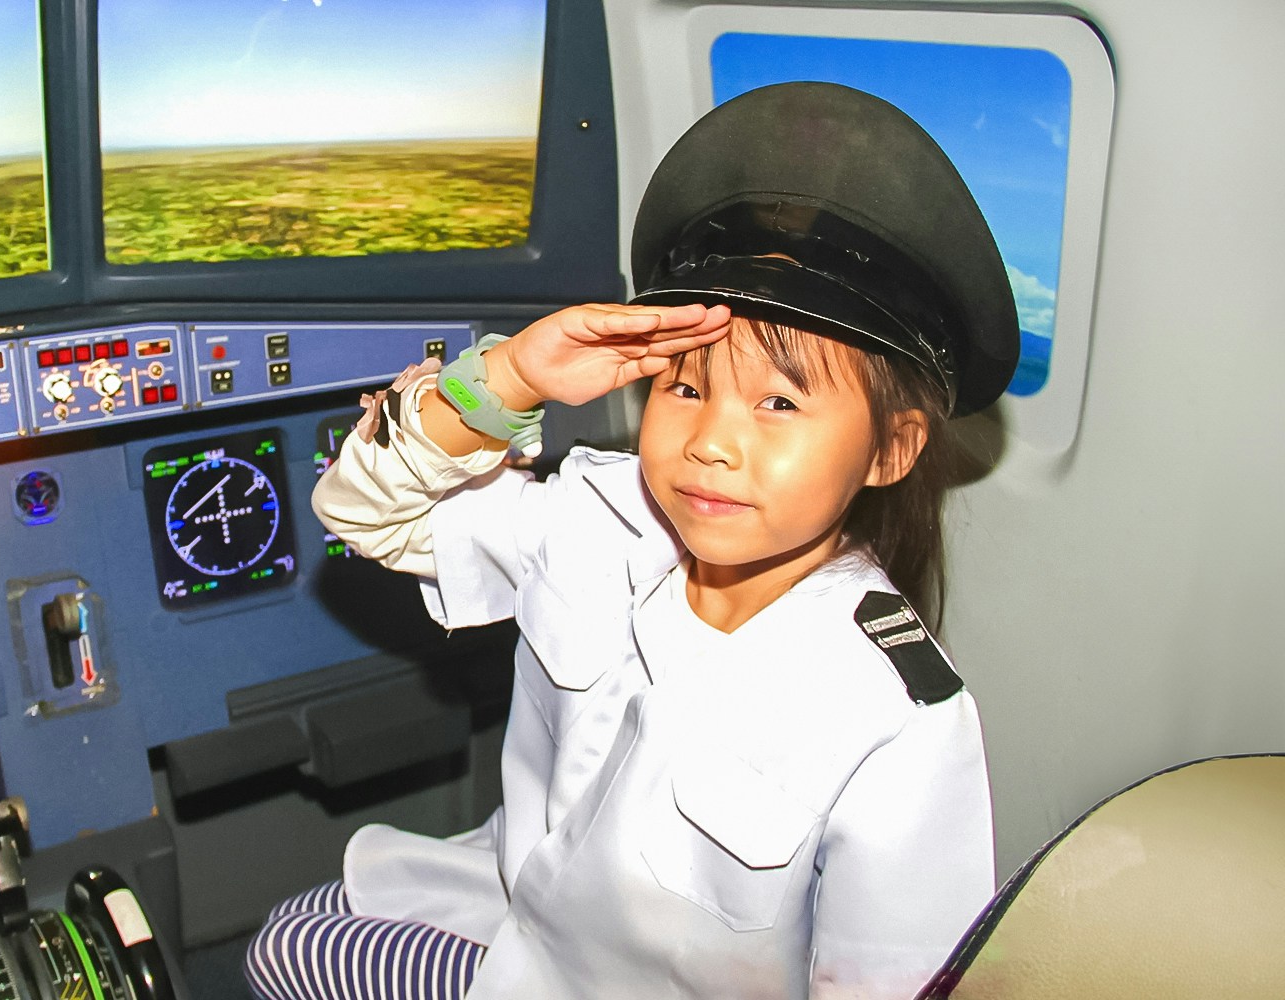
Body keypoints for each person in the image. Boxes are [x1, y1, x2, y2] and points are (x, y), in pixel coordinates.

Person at [244, 81, 1019, 1000]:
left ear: (892, 449)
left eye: (779, 402)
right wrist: (511, 374)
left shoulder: (900, 723)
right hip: (515, 914)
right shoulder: (602, 523)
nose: (711, 441)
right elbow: (365, 513)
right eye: (686, 389)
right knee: (284, 940)